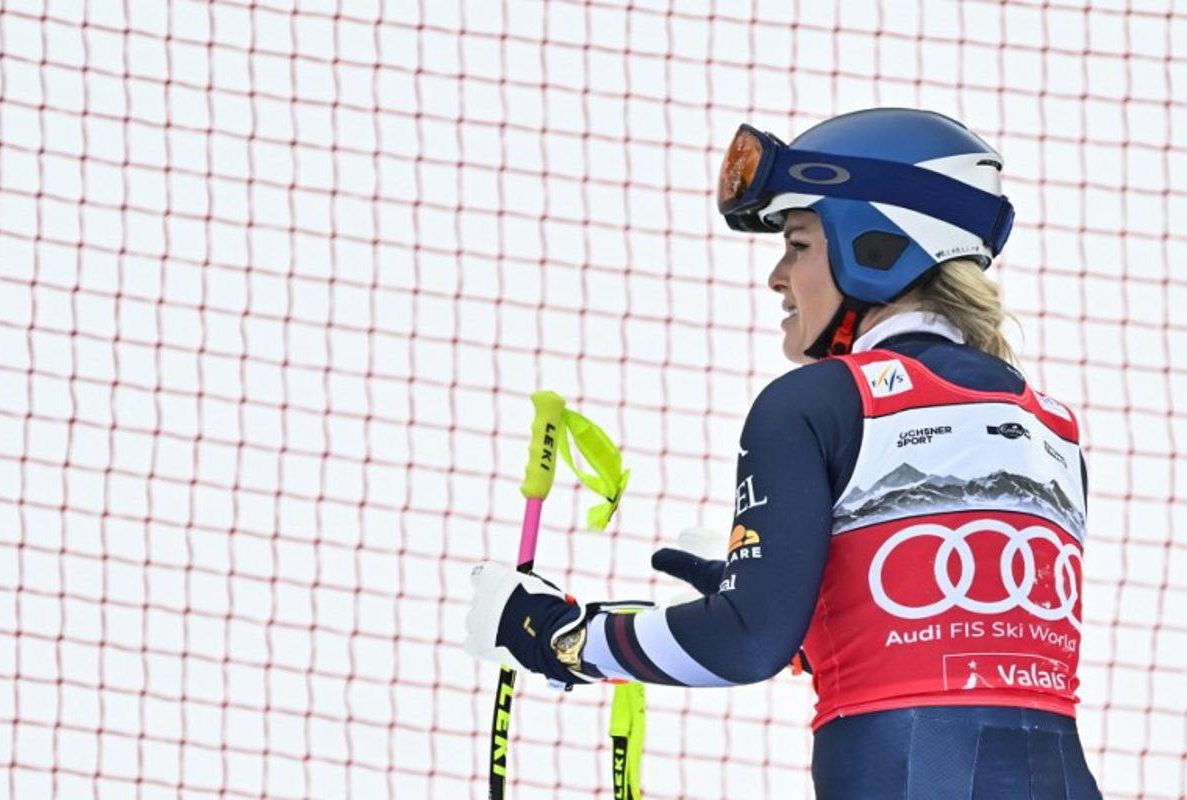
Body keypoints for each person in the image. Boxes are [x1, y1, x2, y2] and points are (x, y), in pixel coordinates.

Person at [464, 108, 1102, 798]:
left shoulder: (815, 402)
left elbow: (744, 645)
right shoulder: (1051, 426)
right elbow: (958, 653)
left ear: (878, 241)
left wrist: (553, 635)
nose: (777, 275)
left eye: (797, 243)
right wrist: (812, 608)